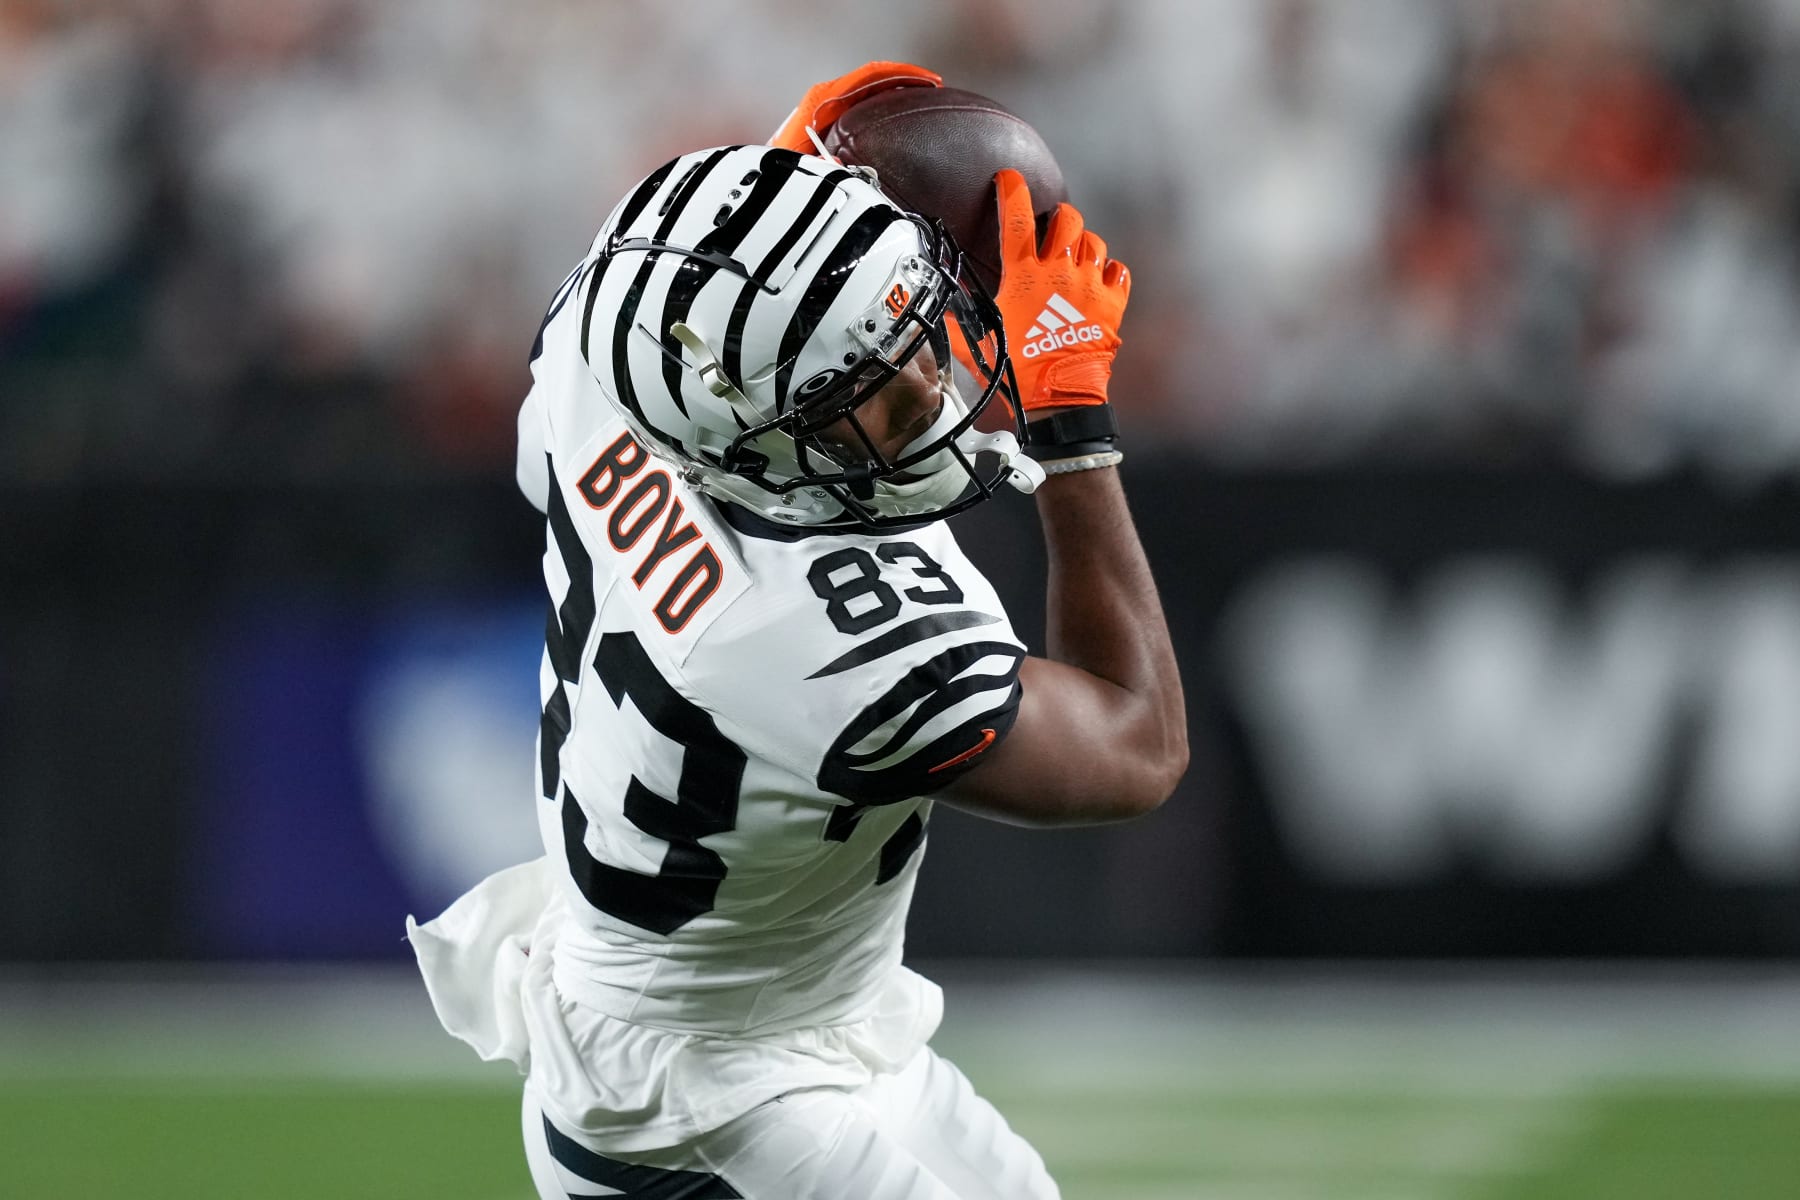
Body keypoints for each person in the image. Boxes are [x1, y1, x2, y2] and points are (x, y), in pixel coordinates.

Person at [407, 61, 1187, 1200]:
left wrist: (830, 181)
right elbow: (1138, 746)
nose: (931, 381)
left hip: (789, 1012)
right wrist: (1073, 427)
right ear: (772, 447)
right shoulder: (817, 651)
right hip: (704, 1107)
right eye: (881, 382)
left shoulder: (611, 355)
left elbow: (737, 265)